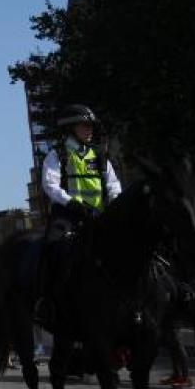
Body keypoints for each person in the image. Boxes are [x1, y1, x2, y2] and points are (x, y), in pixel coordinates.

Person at [34, 104, 123, 326]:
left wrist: (113, 203)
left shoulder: (100, 154)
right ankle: (45, 301)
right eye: (84, 125)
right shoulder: (58, 154)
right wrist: (73, 203)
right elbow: (50, 185)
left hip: (99, 216)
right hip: (68, 215)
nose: (89, 129)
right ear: (71, 128)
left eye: (90, 126)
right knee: (52, 246)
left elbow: (113, 184)